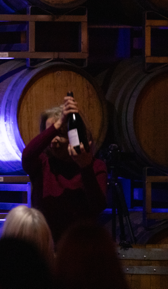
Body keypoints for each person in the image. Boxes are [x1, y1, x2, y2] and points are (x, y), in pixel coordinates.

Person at [21, 95, 107, 243]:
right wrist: (58, 124)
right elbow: (27, 156)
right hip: (45, 244)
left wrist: (85, 167)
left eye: (60, 133)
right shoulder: (42, 163)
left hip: (80, 246)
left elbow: (98, 205)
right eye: (50, 134)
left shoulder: (95, 166)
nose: (53, 140)